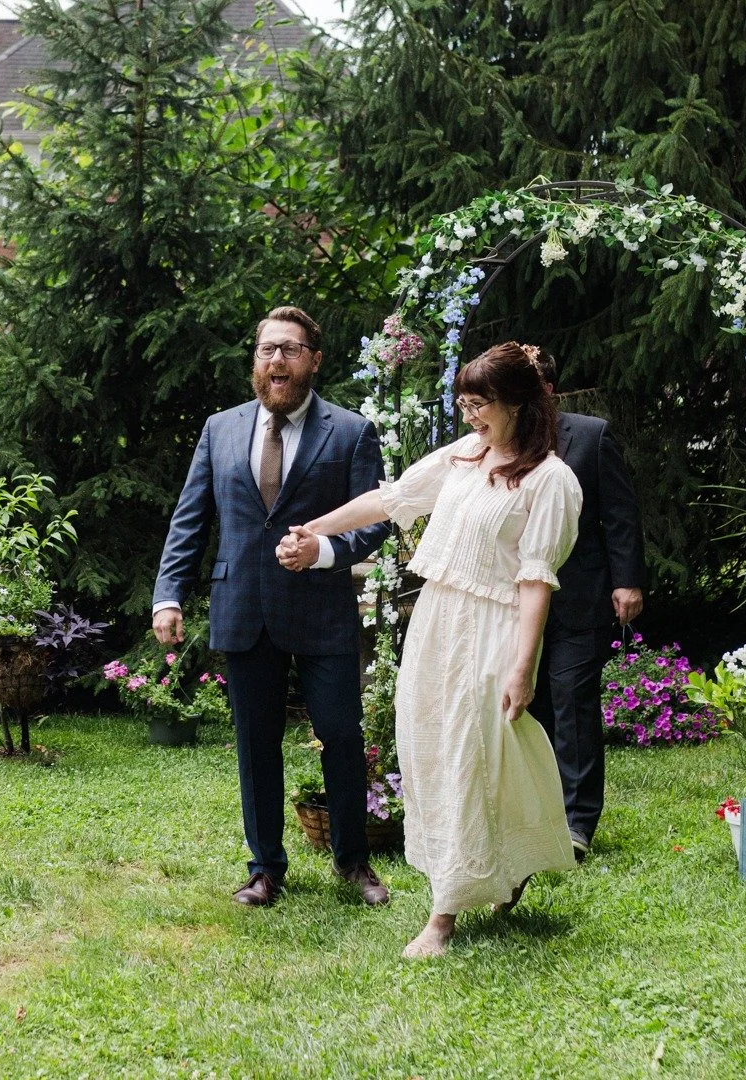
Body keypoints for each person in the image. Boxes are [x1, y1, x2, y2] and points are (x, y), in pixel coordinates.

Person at [278, 342, 583, 958]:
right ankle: (503, 862)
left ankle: (442, 918)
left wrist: (522, 667)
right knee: (438, 752)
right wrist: (317, 530)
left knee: (471, 753)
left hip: (494, 630)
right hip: (438, 623)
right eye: (466, 404)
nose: (471, 417)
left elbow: (535, 581)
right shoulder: (463, 457)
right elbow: (391, 501)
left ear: (519, 405)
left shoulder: (551, 481)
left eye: (481, 405)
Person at [151, 306, 391, 909]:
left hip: (322, 610)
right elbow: (191, 519)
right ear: (255, 360)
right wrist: (168, 593)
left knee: (339, 734)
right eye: (266, 350)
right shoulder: (220, 429)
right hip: (244, 608)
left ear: (313, 359)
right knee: (255, 743)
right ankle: (264, 869)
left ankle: (353, 861)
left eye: (289, 350)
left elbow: (375, 519)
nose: (276, 361)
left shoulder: (351, 431)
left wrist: (324, 550)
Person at [533, 351, 645, 860]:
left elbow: (619, 515)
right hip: (513, 603)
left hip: (579, 595)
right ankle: (534, 812)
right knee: (529, 709)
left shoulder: (592, 435)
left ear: (550, 389)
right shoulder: (495, 441)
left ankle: (578, 823)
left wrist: (627, 581)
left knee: (573, 703)